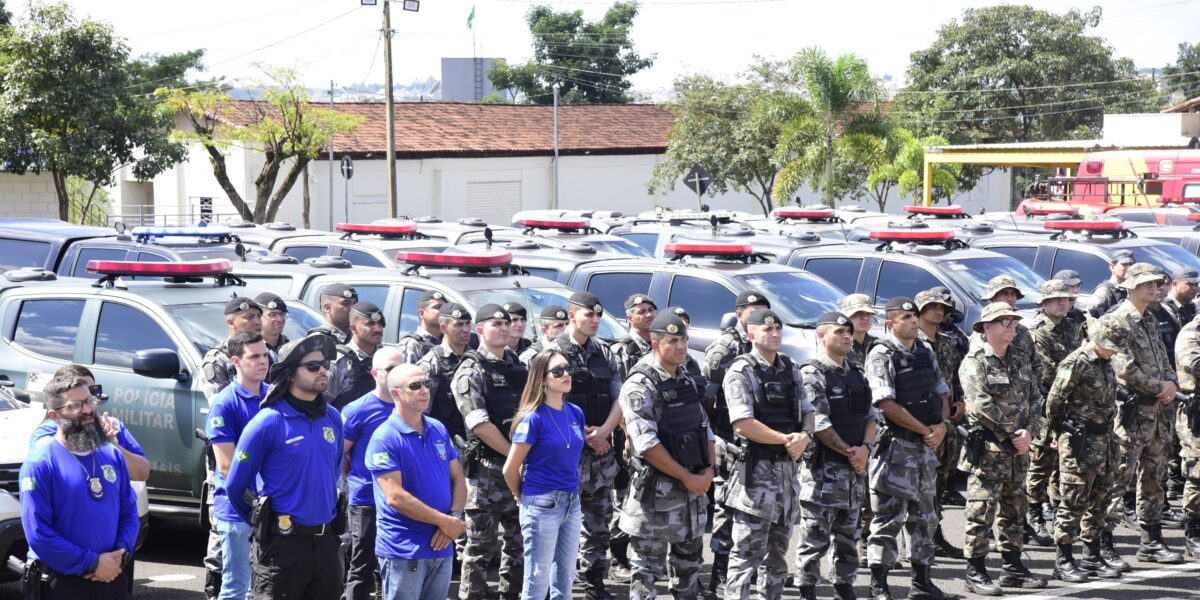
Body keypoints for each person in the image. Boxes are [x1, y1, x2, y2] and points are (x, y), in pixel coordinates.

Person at [226, 334, 346, 599]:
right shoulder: (268, 422)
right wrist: (265, 526)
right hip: (282, 549)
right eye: (313, 366)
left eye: (325, 364)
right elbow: (236, 487)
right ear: (290, 374)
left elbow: (333, 471)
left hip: (326, 545)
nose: (323, 370)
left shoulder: (334, 418)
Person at [864, 297, 958, 600]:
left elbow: (941, 391)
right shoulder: (881, 354)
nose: (914, 321)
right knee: (888, 520)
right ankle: (879, 586)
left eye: (915, 316)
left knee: (924, 518)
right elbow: (886, 404)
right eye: (906, 317)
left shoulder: (925, 350)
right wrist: (925, 430)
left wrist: (941, 426)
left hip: (925, 449)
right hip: (897, 447)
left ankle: (922, 583)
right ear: (890, 323)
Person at [618, 312, 716, 600]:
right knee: (646, 575)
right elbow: (646, 444)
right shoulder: (640, 383)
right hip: (656, 499)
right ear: (655, 342)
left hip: (692, 493)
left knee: (689, 572)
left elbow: (703, 428)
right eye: (672, 340)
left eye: (683, 339)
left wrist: (709, 469)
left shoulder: (684, 376)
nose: (681, 346)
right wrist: (688, 477)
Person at [1096, 263, 1185, 566]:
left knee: (1154, 477)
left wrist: (1171, 382)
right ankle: (1102, 542)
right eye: (1147, 283)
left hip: (1156, 412)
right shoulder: (1117, 320)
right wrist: (1158, 385)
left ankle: (1151, 540)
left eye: (1158, 282)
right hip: (1131, 413)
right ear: (1130, 286)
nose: (1155, 287)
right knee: (1118, 477)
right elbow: (1120, 367)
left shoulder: (1149, 318)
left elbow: (1163, 356)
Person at [19, 375, 139, 599]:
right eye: (75, 405)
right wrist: (92, 563)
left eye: (89, 401)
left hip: (112, 576)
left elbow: (129, 512)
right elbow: (39, 534)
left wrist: (121, 553)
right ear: (54, 415)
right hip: (63, 583)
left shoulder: (112, 454)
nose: (87, 410)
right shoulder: (40, 464)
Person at [722, 308, 813, 599]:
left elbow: (809, 412)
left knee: (777, 559)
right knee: (745, 557)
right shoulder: (741, 371)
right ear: (751, 334)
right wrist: (785, 440)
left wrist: (805, 436)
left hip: (786, 478)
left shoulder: (790, 368)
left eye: (778, 329)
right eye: (767, 329)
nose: (774, 334)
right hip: (755, 479)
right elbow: (743, 422)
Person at [959, 303, 1048, 595]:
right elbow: (980, 405)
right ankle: (976, 570)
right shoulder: (975, 361)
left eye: (1012, 322)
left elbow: (1036, 398)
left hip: (1018, 449)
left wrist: (1030, 432)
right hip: (989, 449)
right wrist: (1013, 433)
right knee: (981, 510)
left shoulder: (1020, 359)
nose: (1010, 327)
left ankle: (1012, 567)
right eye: (1003, 322)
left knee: (1015, 508)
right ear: (987, 327)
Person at [543, 291, 624, 600]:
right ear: (571, 314)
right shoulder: (552, 353)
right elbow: (544, 405)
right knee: (560, 524)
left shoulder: (606, 352)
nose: (594, 320)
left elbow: (620, 398)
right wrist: (584, 438)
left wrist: (604, 432)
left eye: (598, 315)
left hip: (601, 452)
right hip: (566, 455)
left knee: (599, 524)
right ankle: (554, 588)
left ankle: (594, 584)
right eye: (588, 314)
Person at [366, 363, 467, 600]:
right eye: (415, 385)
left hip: (441, 545)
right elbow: (395, 497)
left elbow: (458, 478)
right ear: (396, 394)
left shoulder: (438, 428)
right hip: (405, 550)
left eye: (426, 384)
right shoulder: (384, 438)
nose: (424, 390)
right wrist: (445, 522)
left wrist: (455, 518)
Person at [795, 312, 876, 600]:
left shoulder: (857, 372)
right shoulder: (811, 373)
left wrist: (864, 449)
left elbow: (872, 415)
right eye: (839, 331)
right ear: (821, 335)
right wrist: (851, 453)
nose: (847, 336)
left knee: (848, 538)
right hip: (823, 473)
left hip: (853, 471)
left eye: (848, 332)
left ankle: (844, 587)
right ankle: (807, 590)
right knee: (814, 537)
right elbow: (817, 422)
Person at [452, 304, 527, 600]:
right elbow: (480, 424)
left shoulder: (520, 366)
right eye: (497, 323)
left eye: (507, 323)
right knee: (480, 547)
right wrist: (515, 457)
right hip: (487, 472)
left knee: (518, 542)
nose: (505, 328)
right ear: (480, 330)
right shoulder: (470, 370)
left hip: (518, 470)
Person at [503, 349, 586, 600]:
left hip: (571, 501)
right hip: (541, 502)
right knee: (537, 582)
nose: (566, 375)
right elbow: (510, 468)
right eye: (558, 371)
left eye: (568, 369)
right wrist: (523, 497)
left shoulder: (575, 412)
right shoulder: (532, 418)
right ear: (542, 378)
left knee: (565, 579)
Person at [702, 290, 770, 592]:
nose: (759, 316)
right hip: (729, 439)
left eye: (764, 311)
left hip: (758, 437)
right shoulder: (725, 349)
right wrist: (712, 440)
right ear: (740, 314)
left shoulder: (765, 345)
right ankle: (719, 572)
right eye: (753, 310)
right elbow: (706, 399)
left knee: (755, 507)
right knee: (727, 508)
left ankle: (746, 570)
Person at [1046, 329, 1122, 582]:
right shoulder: (1076, 362)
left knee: (1100, 501)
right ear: (1098, 339)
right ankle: (1064, 560)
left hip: (1106, 440)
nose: (1115, 351)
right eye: (1112, 345)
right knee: (1073, 501)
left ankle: (1091, 556)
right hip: (1080, 442)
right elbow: (1054, 403)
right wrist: (1060, 432)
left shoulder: (1105, 362)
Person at [206, 331, 271, 600]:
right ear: (236, 361)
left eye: (265, 355)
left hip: (270, 505)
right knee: (236, 587)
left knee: (263, 586)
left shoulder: (274, 396)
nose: (262, 361)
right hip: (238, 509)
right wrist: (254, 502)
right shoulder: (224, 403)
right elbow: (226, 466)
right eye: (254, 356)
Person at [341, 346, 407, 600]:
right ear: (375, 373)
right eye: (390, 369)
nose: (396, 374)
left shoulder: (410, 407)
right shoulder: (357, 410)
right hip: (367, 501)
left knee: (392, 564)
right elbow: (340, 456)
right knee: (362, 565)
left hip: (399, 499)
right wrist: (354, 479)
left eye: (400, 367)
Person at [1026, 279, 1084, 545]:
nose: (1063, 303)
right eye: (1057, 299)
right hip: (1044, 405)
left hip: (1070, 404)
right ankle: (1034, 514)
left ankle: (1058, 510)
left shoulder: (1073, 327)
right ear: (1045, 303)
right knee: (1040, 462)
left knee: (1065, 461)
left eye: (1066, 298)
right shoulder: (1037, 331)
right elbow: (1048, 371)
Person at [914, 289, 967, 557]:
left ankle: (935, 534)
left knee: (940, 483)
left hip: (948, 422)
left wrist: (962, 402)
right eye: (932, 306)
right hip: (924, 424)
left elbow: (956, 378)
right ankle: (921, 539)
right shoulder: (914, 343)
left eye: (942, 308)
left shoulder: (947, 342)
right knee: (920, 485)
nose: (938, 311)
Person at [841, 293, 879, 566]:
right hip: (853, 429)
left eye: (867, 314)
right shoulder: (841, 347)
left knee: (877, 493)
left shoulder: (879, 347)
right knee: (856, 493)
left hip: (879, 426)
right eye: (857, 315)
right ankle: (854, 544)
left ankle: (869, 541)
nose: (863, 318)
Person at [417, 302, 473, 447]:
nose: (466, 329)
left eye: (468, 324)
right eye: (459, 324)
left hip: (472, 442)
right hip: (443, 443)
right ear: (443, 328)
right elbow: (421, 413)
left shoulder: (475, 358)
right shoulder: (431, 363)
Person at [200, 296, 264, 399]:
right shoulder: (217, 359)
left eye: (259, 316)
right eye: (249, 317)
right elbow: (219, 405)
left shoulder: (267, 352)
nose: (257, 322)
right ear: (230, 322)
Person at [1174, 310, 1200, 558]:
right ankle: (1193, 532)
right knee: (1197, 474)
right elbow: (1194, 365)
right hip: (1196, 414)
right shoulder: (1191, 334)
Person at [327, 302, 386, 410]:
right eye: (370, 324)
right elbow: (325, 405)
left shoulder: (387, 358)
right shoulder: (339, 361)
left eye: (380, 324)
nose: (378, 329)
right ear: (353, 328)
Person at [613, 294, 657, 379]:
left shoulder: (663, 344)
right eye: (642, 312)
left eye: (651, 310)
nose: (648, 315)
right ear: (630, 318)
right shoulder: (621, 350)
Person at [398, 290, 447, 364]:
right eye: (437, 307)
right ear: (421, 313)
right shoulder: (411, 345)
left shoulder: (448, 340)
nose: (443, 311)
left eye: (444, 308)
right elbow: (405, 374)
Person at [1088, 250, 1135, 318]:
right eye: (1124, 264)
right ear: (1112, 267)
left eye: (1131, 264)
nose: (1129, 268)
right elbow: (1093, 321)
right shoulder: (1104, 291)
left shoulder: (1134, 289)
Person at [842, 294, 878, 370]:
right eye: (858, 314)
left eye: (868, 314)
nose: (865, 318)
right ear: (846, 317)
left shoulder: (877, 344)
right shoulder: (839, 345)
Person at [256, 292, 290, 360]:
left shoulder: (290, 347)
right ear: (258, 317)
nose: (280, 319)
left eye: (282, 314)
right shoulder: (250, 349)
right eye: (272, 314)